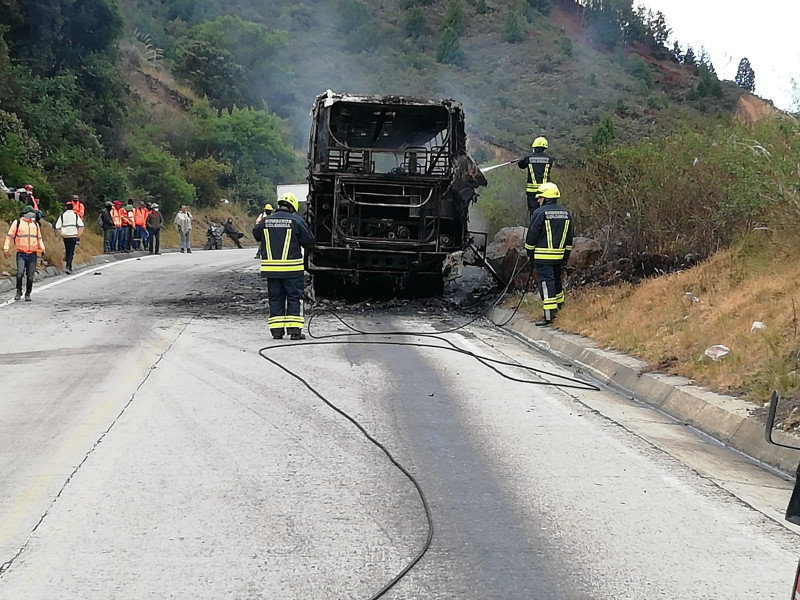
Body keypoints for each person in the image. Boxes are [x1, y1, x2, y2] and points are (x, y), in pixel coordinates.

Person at [252, 193, 314, 340]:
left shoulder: (266, 221)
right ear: (292, 207)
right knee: (294, 297)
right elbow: (309, 241)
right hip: (292, 270)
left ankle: (277, 332)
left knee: (275, 298)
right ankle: (294, 331)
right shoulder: (296, 221)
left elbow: (256, 233)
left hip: (271, 270)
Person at [525, 183, 573, 327]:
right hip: (559, 256)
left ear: (545, 198)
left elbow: (532, 234)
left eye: (540, 197)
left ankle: (549, 316)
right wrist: (566, 255)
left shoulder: (539, 213)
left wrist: (529, 251)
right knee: (556, 282)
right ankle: (560, 310)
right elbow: (569, 237)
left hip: (543, 256)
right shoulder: (566, 213)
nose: (538, 200)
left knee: (546, 284)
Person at [3, 205, 45, 301]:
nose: (34, 214)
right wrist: (6, 248)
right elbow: (9, 237)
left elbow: (39, 238)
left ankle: (28, 293)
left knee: (30, 276)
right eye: (32, 213)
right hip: (21, 253)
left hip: (32, 254)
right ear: (27, 214)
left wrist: (42, 248)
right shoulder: (17, 223)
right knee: (20, 273)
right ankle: (19, 291)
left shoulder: (35, 225)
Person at [518, 137, 555, 219]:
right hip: (546, 191)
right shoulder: (549, 158)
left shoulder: (529, 157)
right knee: (544, 211)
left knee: (534, 212)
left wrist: (524, 159)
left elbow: (521, 165)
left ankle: (534, 227)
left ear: (534, 147)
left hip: (532, 191)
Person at [54, 202, 84, 274]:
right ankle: (68, 265)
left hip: (65, 236)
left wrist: (61, 234)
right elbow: (81, 226)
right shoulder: (76, 216)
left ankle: (68, 264)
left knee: (67, 250)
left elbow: (57, 227)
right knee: (71, 251)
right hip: (73, 235)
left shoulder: (62, 216)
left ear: (65, 208)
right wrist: (78, 235)